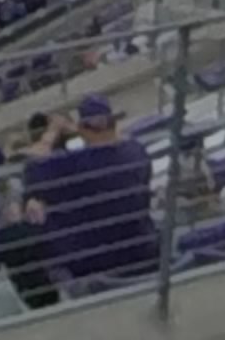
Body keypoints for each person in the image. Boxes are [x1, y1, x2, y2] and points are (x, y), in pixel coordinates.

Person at [20, 95, 156, 279]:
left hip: (91, 267)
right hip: (142, 253)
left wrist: (53, 131)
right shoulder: (136, 152)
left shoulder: (70, 164)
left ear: (82, 129)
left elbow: (32, 163)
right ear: (113, 123)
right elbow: (121, 139)